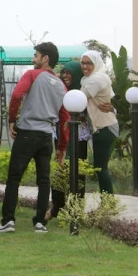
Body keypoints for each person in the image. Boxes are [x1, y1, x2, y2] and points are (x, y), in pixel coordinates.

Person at [0, 42, 70, 233]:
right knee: (44, 181)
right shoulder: (62, 86)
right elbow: (65, 118)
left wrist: (12, 119)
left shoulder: (32, 75)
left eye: (36, 55)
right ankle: (40, 223)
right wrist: (62, 147)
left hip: (27, 133)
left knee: (14, 178)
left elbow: (17, 95)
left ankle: (8, 221)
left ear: (45, 58)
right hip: (46, 137)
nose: (33, 59)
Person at [49, 60, 89, 219]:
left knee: (78, 171)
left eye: (69, 73)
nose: (65, 76)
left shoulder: (84, 91)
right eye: (64, 72)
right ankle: (57, 206)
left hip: (79, 136)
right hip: (61, 133)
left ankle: (76, 209)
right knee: (59, 169)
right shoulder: (59, 89)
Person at [79, 50, 117, 195]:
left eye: (89, 63)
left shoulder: (97, 80)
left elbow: (80, 99)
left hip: (105, 127)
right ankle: (107, 201)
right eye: (83, 63)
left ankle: (108, 202)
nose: (85, 66)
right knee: (100, 167)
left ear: (96, 64)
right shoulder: (88, 80)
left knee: (101, 167)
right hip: (103, 126)